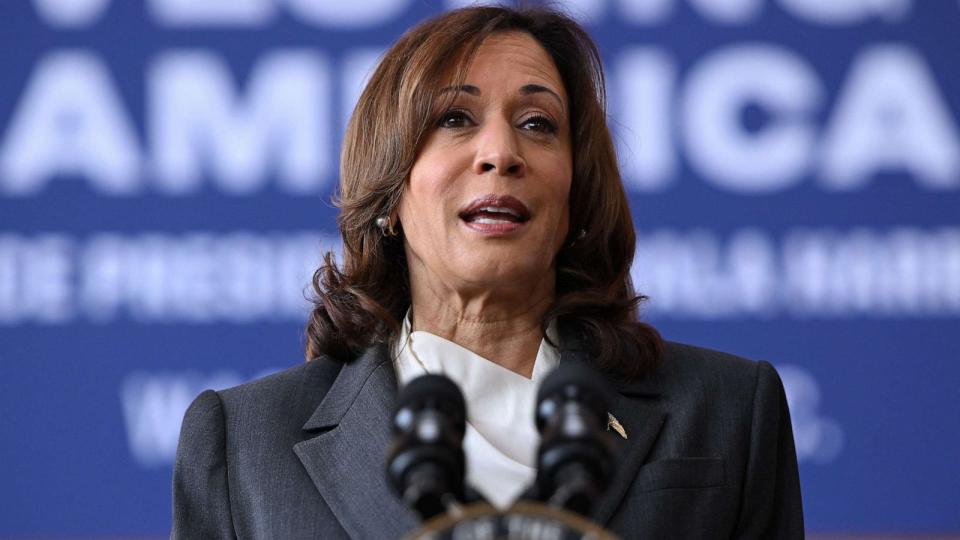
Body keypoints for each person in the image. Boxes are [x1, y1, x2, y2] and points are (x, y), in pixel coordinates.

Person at [171, 6, 803, 539]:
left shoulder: (726, 411)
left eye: (537, 124)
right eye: (454, 119)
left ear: (576, 197)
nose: (501, 153)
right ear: (390, 192)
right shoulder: (247, 444)